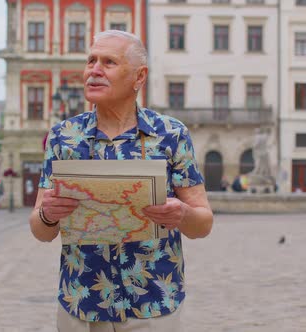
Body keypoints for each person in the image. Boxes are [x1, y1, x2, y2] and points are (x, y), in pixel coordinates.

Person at [29, 30, 213, 331]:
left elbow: (203, 223)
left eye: (108, 62)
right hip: (82, 303)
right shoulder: (63, 136)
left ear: (139, 77)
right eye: (91, 61)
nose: (94, 71)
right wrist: (48, 213)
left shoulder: (171, 134)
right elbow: (40, 230)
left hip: (152, 303)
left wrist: (182, 214)